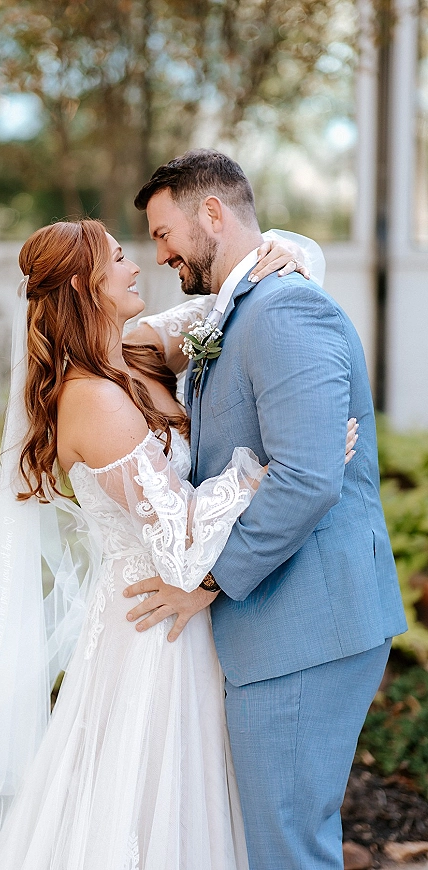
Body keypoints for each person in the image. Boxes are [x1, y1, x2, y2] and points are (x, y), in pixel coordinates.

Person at [0, 217, 356, 870]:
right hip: (153, 632)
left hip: (185, 615)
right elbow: (181, 539)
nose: (138, 266)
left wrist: (286, 249)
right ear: (87, 283)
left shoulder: (135, 350)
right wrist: (278, 469)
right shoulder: (92, 401)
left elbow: (229, 298)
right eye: (119, 257)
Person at [122, 149, 408, 870]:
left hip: (305, 625)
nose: (159, 255)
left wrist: (208, 583)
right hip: (278, 627)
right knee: (271, 841)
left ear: (212, 214)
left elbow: (310, 480)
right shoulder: (236, 307)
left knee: (286, 846)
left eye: (164, 234)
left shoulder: (285, 310)